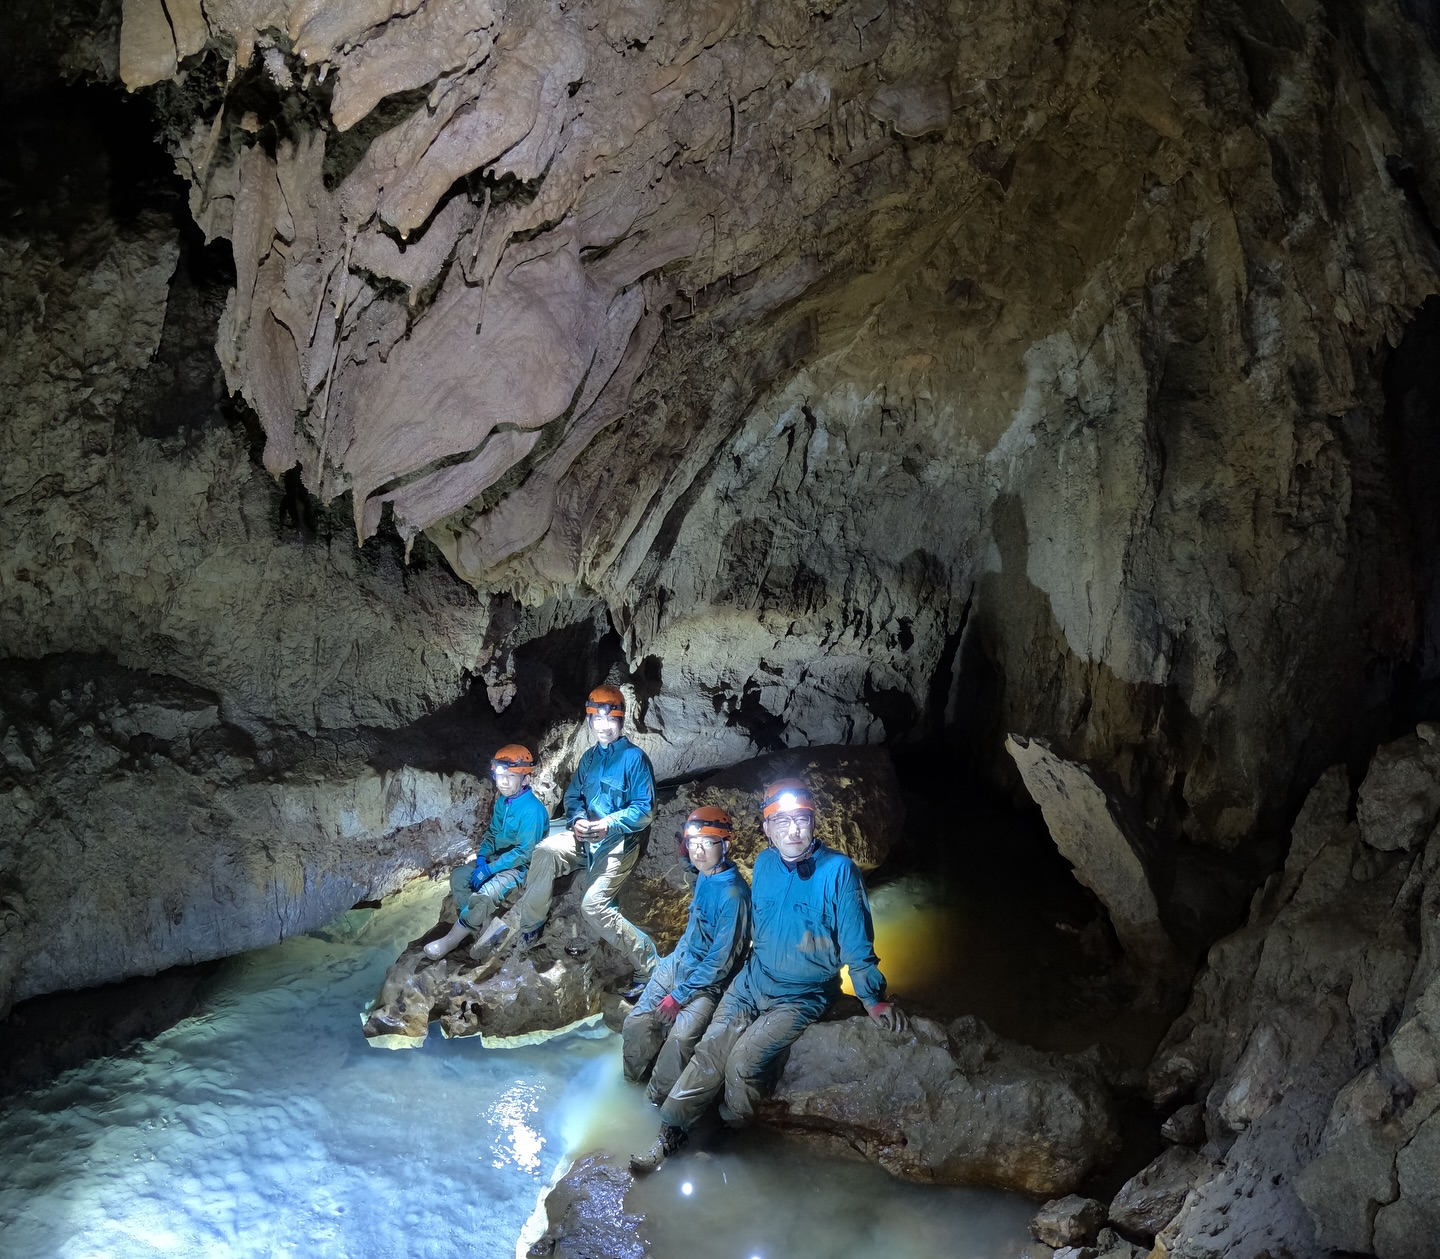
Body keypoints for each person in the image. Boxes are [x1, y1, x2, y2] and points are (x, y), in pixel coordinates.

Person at [630, 778, 908, 1173]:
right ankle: (670, 1131)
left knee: (742, 1063)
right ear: (767, 829)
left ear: (813, 822)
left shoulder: (840, 872)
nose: (793, 830)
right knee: (710, 1049)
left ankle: (731, 1129)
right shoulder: (763, 864)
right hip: (752, 981)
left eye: (801, 820)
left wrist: (874, 998)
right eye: (782, 822)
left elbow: (857, 946)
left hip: (802, 994)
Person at [515, 685, 658, 993]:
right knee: (545, 851)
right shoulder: (589, 758)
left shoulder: (634, 759)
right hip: (585, 837)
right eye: (596, 719)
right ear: (590, 721)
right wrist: (577, 819)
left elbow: (645, 809)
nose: (603, 726)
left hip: (618, 842)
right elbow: (574, 795)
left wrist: (609, 823)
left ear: (620, 721)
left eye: (610, 719)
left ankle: (650, 966)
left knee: (594, 906)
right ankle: (531, 925)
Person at [622, 807, 752, 1104]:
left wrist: (679, 996)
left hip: (707, 981)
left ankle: (654, 1102)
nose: (698, 851)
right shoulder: (707, 873)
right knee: (635, 1024)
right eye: (694, 843)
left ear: (726, 845)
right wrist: (684, 856)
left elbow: (721, 961)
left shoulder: (734, 896)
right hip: (677, 961)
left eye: (707, 843)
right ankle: (630, 1082)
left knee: (679, 1041)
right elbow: (696, 876)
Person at [424, 744, 550, 960]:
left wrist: (491, 869)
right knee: (459, 876)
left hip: (518, 868)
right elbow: (492, 833)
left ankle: (450, 941)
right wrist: (482, 858)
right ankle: (478, 924)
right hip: (494, 860)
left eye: (511, 776)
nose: (503, 781)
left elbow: (525, 852)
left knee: (486, 894)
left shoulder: (533, 810)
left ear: (525, 778)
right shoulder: (503, 802)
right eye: (500, 776)